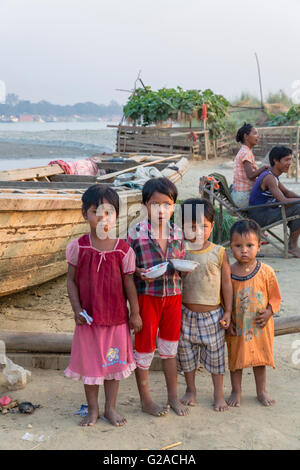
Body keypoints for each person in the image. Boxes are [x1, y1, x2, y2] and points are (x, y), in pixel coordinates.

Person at [64, 184, 142, 427]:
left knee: (112, 366)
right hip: (88, 320)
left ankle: (110, 408)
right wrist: (76, 309)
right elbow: (71, 280)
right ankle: (93, 409)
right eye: (95, 211)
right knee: (90, 368)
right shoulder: (78, 247)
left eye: (109, 211)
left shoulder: (124, 250)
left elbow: (129, 283)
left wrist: (135, 313)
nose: (102, 217)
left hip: (116, 320)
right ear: (84, 214)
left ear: (117, 214)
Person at [127, 177, 189, 417]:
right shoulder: (135, 234)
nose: (161, 210)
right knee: (143, 350)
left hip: (173, 297)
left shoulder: (178, 233)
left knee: (170, 349)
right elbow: (128, 272)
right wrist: (139, 273)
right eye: (155, 204)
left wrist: (182, 268)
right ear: (145, 206)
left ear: (174, 206)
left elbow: (180, 266)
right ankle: (146, 400)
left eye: (167, 204)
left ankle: (173, 397)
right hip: (147, 299)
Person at [177, 198, 233, 411]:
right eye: (191, 227)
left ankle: (218, 393)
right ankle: (190, 389)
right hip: (186, 313)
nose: (197, 231)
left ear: (212, 226)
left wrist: (228, 310)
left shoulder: (218, 251)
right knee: (186, 355)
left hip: (213, 315)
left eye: (203, 226)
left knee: (216, 357)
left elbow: (226, 283)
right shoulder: (181, 250)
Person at [226, 219, 281, 408]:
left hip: (260, 326)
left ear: (259, 245)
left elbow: (275, 297)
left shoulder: (266, 272)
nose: (244, 250)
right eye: (238, 245)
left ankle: (261, 391)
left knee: (260, 359)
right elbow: (222, 299)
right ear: (230, 246)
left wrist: (268, 312)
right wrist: (227, 320)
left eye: (250, 245)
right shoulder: (228, 273)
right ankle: (236, 391)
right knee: (236, 359)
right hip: (237, 326)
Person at [249, 145, 300, 258]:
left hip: (266, 211)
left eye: (290, 160)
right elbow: (283, 201)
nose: (289, 163)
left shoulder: (273, 175)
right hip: (260, 215)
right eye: (286, 160)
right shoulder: (269, 178)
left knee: (297, 206)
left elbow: (286, 192)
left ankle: (292, 244)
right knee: (298, 208)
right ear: (276, 161)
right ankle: (292, 246)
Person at [231, 123, 269, 208]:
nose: (257, 136)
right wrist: (264, 168)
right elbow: (251, 175)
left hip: (240, 195)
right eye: (255, 133)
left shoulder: (245, 151)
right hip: (243, 197)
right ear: (246, 136)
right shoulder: (246, 153)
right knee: (271, 200)